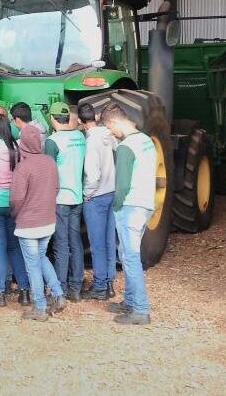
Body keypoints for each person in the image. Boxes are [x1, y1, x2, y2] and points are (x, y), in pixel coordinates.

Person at [100, 103, 156, 325]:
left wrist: (116, 206)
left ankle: (140, 310)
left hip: (129, 206)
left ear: (115, 122)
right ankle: (130, 301)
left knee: (130, 257)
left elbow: (121, 184)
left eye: (110, 128)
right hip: (145, 205)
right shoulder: (145, 140)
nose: (111, 133)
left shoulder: (126, 147)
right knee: (127, 254)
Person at [10, 124, 66, 321]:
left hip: (28, 224)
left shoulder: (23, 167)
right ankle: (58, 294)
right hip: (48, 220)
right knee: (41, 258)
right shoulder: (50, 162)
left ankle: (40, 307)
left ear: (22, 143)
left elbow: (16, 199)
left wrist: (16, 215)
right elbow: (57, 188)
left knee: (32, 265)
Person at [0, 113, 31, 307]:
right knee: (14, 247)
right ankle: (24, 291)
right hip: (12, 203)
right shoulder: (15, 148)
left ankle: (0, 293)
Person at [44, 102, 87, 301]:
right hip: (77, 197)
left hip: (60, 199)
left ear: (52, 119)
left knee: (61, 244)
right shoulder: (79, 137)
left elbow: (48, 172)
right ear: (68, 118)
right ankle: (76, 287)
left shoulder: (52, 142)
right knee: (75, 241)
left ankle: (60, 287)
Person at [79, 102, 118, 300]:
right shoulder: (107, 134)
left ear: (80, 121)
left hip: (97, 197)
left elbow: (92, 174)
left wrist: (87, 193)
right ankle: (110, 282)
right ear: (94, 117)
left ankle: (100, 286)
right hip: (112, 192)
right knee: (110, 240)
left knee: (97, 244)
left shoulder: (91, 141)